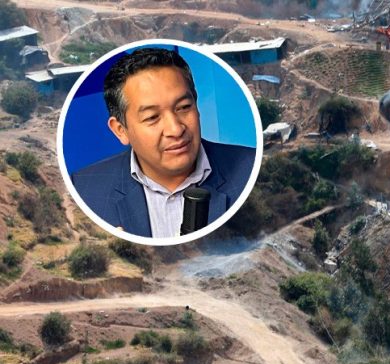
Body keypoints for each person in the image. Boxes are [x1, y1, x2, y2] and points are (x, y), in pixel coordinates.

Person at [72, 48, 256, 238]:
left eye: (184, 107)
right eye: (152, 117)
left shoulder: (254, 170)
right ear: (120, 130)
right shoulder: (84, 191)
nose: (175, 130)